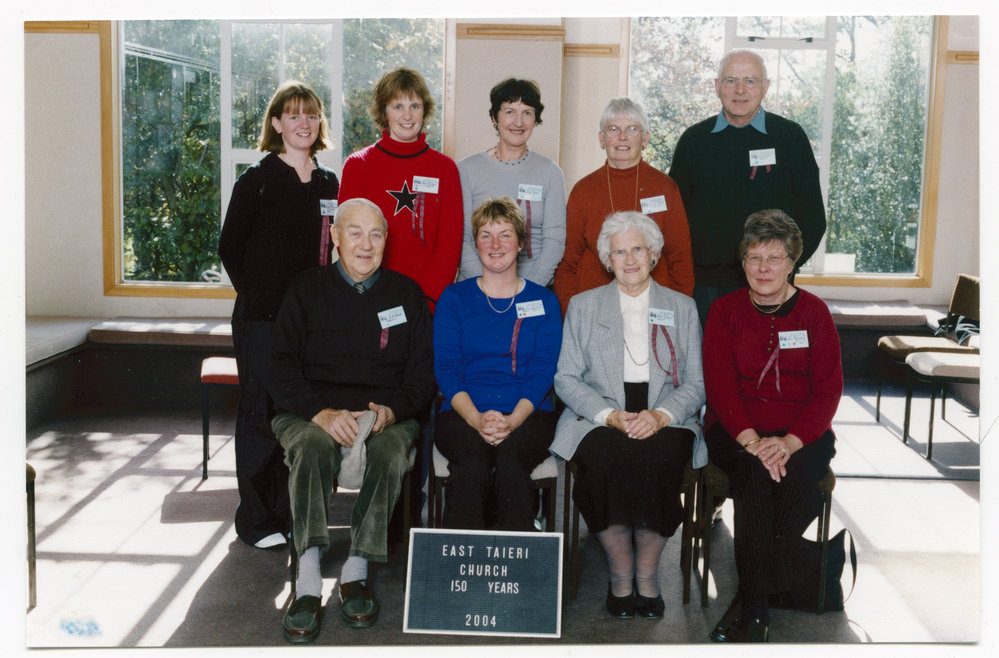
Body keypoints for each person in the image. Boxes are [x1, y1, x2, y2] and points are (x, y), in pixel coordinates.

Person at [266, 198, 435, 643]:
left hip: (384, 413)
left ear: (386, 241)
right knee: (311, 447)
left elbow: (423, 373)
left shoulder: (406, 294)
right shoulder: (306, 289)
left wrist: (393, 410)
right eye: (354, 232)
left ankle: (357, 570)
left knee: (392, 450)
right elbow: (277, 367)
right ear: (335, 238)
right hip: (312, 411)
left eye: (376, 234)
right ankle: (306, 579)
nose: (365, 243)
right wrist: (321, 414)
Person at [551, 211, 706, 619]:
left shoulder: (683, 307)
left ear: (653, 254)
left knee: (658, 458)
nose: (629, 258)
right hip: (599, 413)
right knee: (603, 459)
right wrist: (607, 415)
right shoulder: (583, 306)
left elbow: (696, 383)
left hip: (667, 413)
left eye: (638, 248)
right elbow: (565, 379)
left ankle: (648, 575)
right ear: (607, 260)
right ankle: (621, 574)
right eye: (619, 251)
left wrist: (660, 416)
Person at [702, 209, 842, 643]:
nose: (763, 268)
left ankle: (748, 599)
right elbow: (721, 387)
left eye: (775, 258)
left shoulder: (815, 313)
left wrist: (790, 442)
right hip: (735, 431)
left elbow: (828, 391)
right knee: (755, 480)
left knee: (799, 482)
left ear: (793, 262)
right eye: (754, 257)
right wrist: (754, 442)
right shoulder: (724, 311)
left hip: (803, 435)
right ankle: (759, 608)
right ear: (742, 261)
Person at [217, 81, 339, 551]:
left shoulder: (330, 183)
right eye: (292, 115)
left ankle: (294, 513)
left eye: (310, 115)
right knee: (260, 413)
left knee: (302, 413)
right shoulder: (257, 180)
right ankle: (257, 519)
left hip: (312, 321)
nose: (303, 123)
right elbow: (230, 248)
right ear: (276, 124)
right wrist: (261, 297)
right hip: (263, 319)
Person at [670, 50, 826, 324]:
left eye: (750, 81)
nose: (740, 90)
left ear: (765, 87)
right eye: (731, 80)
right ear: (716, 86)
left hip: (772, 288)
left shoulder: (790, 138)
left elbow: (813, 219)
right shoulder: (693, 142)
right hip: (705, 290)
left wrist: (781, 270)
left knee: (768, 366)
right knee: (710, 365)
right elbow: (673, 222)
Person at [434, 197, 561, 530]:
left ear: (520, 243)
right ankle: (462, 572)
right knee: (473, 465)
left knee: (510, 463)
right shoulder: (454, 298)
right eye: (485, 235)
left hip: (529, 414)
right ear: (475, 243)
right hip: (462, 412)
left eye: (505, 234)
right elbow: (447, 368)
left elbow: (544, 369)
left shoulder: (544, 300)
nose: (495, 244)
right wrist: (476, 419)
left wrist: (513, 421)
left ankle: (517, 575)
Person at [553, 97, 694, 315]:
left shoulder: (666, 188)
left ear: (645, 138)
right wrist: (571, 313)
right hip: (594, 309)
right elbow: (567, 264)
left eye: (632, 129)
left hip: (654, 308)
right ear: (601, 138)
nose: (622, 137)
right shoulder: (583, 190)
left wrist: (677, 312)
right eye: (613, 129)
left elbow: (680, 260)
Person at [338, 66, 462, 310]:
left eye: (414, 106)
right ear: (384, 111)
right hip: (368, 300)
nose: (407, 115)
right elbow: (349, 242)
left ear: (424, 110)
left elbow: (449, 247)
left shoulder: (445, 169)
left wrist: (425, 303)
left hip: (425, 303)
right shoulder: (358, 165)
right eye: (398, 106)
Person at [456, 78, 566, 287]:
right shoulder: (466, 169)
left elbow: (554, 241)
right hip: (477, 286)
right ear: (494, 118)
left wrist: (526, 289)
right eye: (509, 112)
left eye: (527, 113)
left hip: (534, 286)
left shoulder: (551, 172)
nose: (518, 122)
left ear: (536, 119)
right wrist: (486, 286)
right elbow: (461, 240)